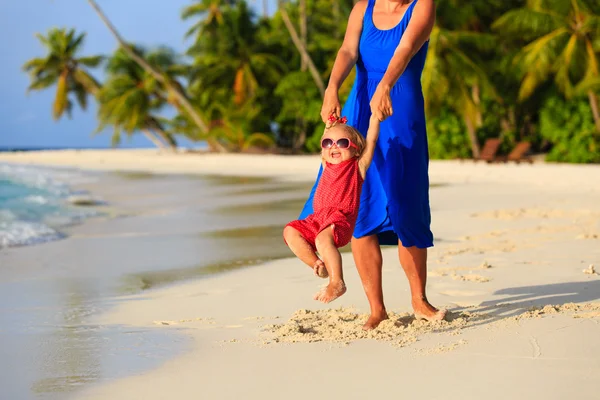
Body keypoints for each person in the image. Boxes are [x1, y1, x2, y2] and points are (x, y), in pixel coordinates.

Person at [300, 0, 446, 330]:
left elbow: (406, 48)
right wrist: (332, 87)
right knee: (358, 202)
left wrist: (385, 86)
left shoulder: (422, 5)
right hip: (359, 105)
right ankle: (376, 309)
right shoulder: (363, 8)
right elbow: (348, 51)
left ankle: (419, 300)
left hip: (399, 101)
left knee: (406, 200)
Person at [283, 115, 381, 304]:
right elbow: (326, 142)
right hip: (317, 219)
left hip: (340, 219)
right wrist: (328, 126)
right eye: (328, 142)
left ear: (356, 149)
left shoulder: (357, 167)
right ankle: (318, 264)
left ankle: (337, 282)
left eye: (342, 142)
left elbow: (371, 139)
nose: (333, 146)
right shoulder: (326, 164)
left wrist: (376, 117)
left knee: (322, 240)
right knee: (290, 231)